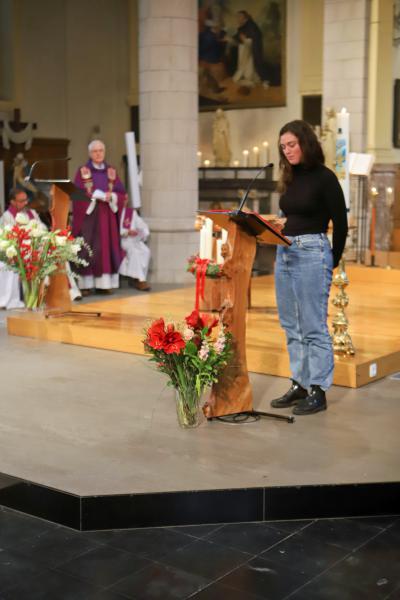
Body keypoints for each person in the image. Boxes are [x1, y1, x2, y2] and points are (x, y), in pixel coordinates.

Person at [270, 120, 348, 415]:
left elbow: (340, 224)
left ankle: (318, 389)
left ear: (306, 143)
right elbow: (286, 215)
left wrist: (332, 260)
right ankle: (300, 384)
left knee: (314, 326)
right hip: (285, 252)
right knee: (291, 324)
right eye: (283, 147)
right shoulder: (289, 177)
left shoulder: (325, 178)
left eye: (291, 144)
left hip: (312, 253)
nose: (287, 151)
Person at [0, 189, 81, 308]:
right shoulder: (7, 217)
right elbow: (8, 234)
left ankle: (68, 291)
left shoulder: (32, 212)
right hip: (22, 249)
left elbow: (42, 227)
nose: (25, 203)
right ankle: (39, 294)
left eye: (26, 200)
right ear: (12, 202)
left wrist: (36, 230)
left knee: (58, 255)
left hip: (36, 245)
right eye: (21, 201)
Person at [73, 140, 125, 294]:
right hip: (89, 217)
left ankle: (104, 284)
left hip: (107, 216)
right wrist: (93, 196)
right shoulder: (83, 172)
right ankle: (86, 285)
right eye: (95, 151)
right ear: (90, 153)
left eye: (101, 150)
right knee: (88, 248)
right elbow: (76, 194)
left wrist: (113, 196)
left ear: (104, 152)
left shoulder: (111, 171)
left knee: (105, 248)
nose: (98, 153)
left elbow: (122, 193)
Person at [119, 200, 151, 291]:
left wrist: (143, 230)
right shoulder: (115, 212)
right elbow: (113, 229)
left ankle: (138, 278)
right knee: (134, 252)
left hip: (134, 239)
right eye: (123, 199)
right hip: (123, 240)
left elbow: (141, 223)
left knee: (146, 251)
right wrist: (126, 232)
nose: (124, 201)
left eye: (126, 199)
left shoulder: (131, 212)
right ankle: (140, 280)